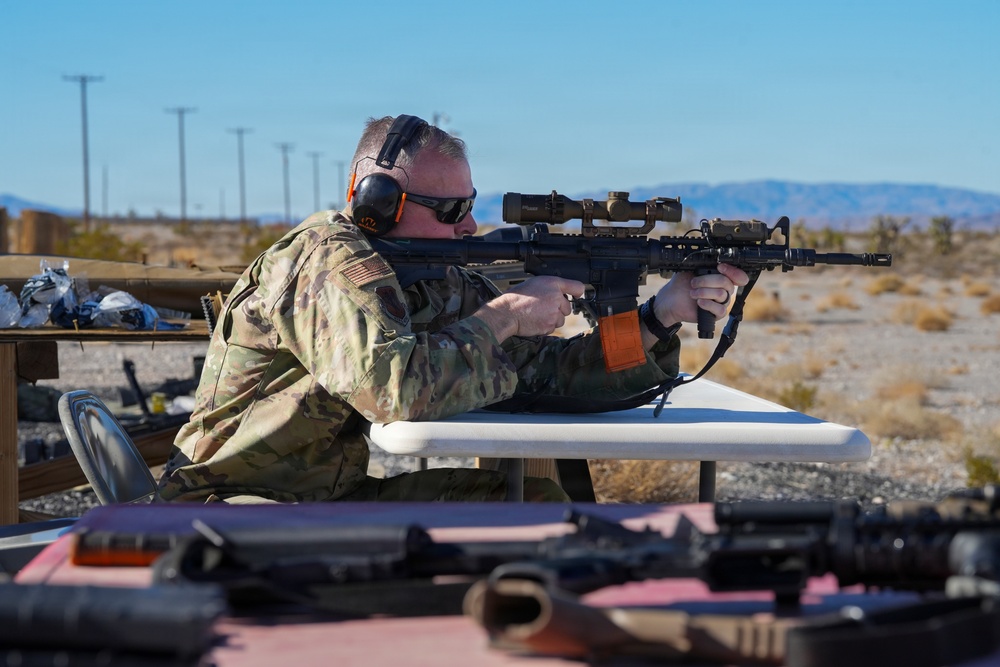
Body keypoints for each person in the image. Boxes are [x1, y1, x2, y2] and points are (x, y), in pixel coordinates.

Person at [157, 114, 748, 504]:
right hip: (236, 505)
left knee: (531, 502)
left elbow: (553, 373)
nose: (468, 226)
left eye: (469, 205)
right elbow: (394, 391)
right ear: (378, 204)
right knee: (526, 516)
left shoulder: (427, 278)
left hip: (322, 497)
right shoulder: (326, 261)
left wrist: (659, 316)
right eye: (449, 211)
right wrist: (505, 315)